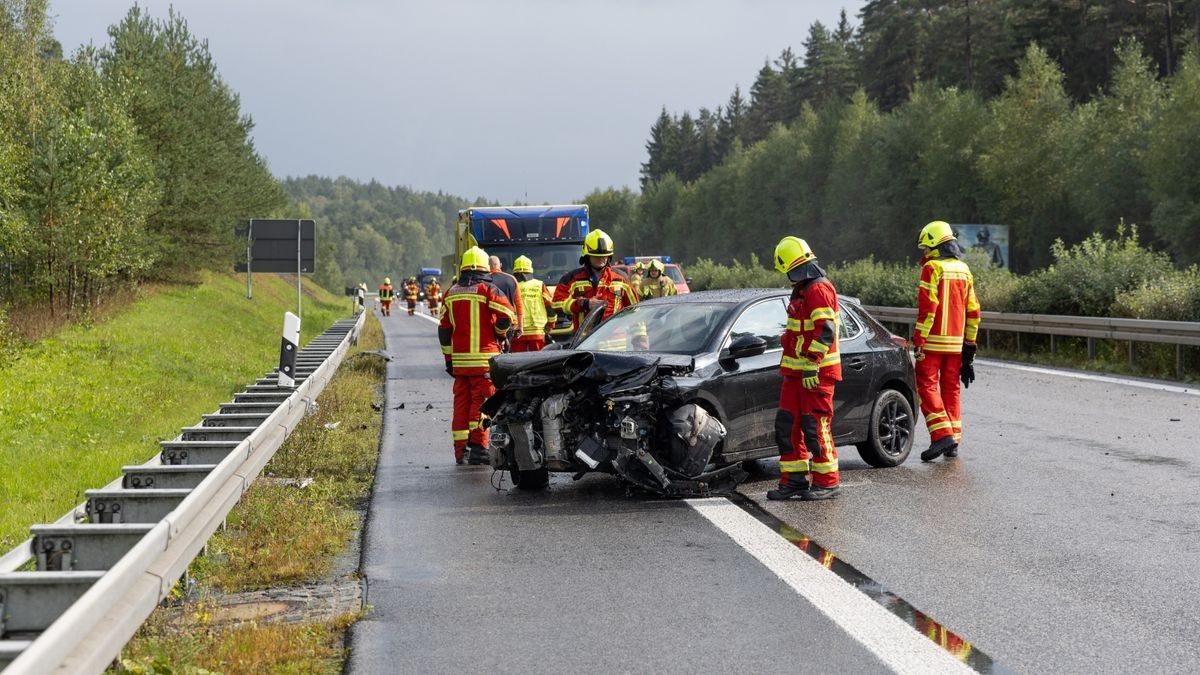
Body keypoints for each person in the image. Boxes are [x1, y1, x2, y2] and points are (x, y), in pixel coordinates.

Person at [767, 236, 842, 501]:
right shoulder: (802, 288)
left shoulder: (817, 289)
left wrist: (812, 364)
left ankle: (827, 481)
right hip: (794, 372)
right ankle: (794, 480)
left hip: (815, 374)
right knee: (787, 426)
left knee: (815, 426)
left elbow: (825, 331)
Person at [913, 220, 982, 461]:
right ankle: (952, 441)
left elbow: (928, 309)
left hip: (932, 343)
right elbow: (974, 311)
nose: (924, 253)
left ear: (934, 245)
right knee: (951, 389)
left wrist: (918, 340)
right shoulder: (964, 269)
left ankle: (942, 435)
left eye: (925, 248)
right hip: (956, 344)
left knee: (926, 385)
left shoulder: (932, 268)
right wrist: (970, 346)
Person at [439, 247, 515, 465]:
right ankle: (479, 449)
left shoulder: (451, 292)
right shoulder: (488, 289)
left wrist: (449, 359)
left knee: (461, 405)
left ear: (462, 268)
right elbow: (507, 316)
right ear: (485, 269)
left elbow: (443, 330)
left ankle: (460, 451)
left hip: (460, 363)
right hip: (484, 360)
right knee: (482, 405)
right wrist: (500, 334)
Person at [552, 229, 640, 338]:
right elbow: (556, 303)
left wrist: (640, 339)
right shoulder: (571, 279)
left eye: (605, 255)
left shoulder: (621, 279)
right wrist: (584, 304)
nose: (601, 259)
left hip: (616, 344)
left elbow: (635, 312)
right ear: (587, 256)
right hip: (584, 342)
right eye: (596, 256)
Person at [511, 255, 554, 352]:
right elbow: (550, 307)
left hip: (517, 332)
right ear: (530, 270)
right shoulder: (539, 285)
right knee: (538, 363)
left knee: (517, 363)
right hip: (537, 332)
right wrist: (551, 325)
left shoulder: (512, 285)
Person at [488, 256, 524, 343]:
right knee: (506, 353)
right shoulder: (512, 279)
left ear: (488, 266)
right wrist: (520, 326)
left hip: (490, 324)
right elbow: (519, 304)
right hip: (509, 323)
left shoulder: (485, 280)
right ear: (500, 265)